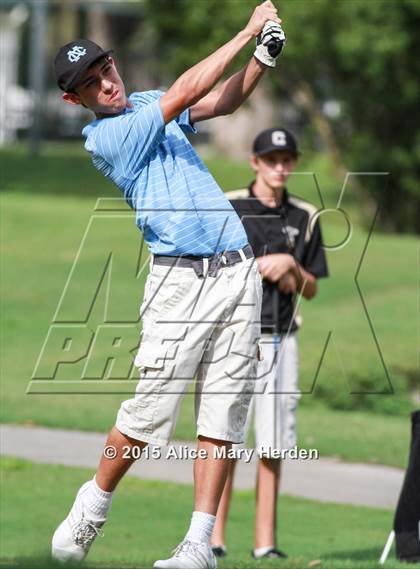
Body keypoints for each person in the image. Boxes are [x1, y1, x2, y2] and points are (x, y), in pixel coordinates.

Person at [51, 3, 286, 568]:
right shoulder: (105, 137)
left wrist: (260, 57)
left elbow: (220, 100)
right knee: (148, 414)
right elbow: (184, 91)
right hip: (179, 282)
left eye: (105, 69)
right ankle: (94, 503)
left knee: (223, 412)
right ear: (74, 100)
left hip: (237, 271)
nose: (105, 83)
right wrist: (246, 29)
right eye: (90, 84)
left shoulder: (149, 101)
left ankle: (198, 544)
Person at [210, 127, 328, 559]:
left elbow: (312, 288)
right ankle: (213, 538)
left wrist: (291, 268)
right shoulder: (229, 205)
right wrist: (256, 267)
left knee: (272, 443)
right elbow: (208, 269)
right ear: (255, 162)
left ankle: (265, 544)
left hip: (282, 339)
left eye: (287, 159)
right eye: (271, 159)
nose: (280, 167)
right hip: (231, 337)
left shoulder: (305, 215)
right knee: (222, 437)